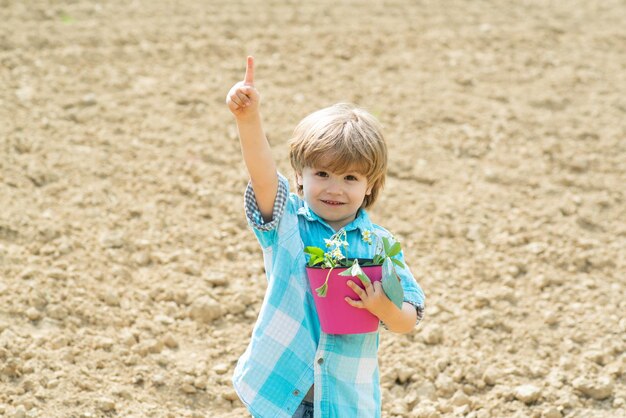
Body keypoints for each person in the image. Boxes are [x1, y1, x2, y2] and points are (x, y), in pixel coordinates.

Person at [226, 56, 425, 418]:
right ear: (300, 177)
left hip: (345, 404)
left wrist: (383, 308)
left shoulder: (380, 246)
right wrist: (248, 119)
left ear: (370, 187)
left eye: (350, 178)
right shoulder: (288, 226)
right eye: (322, 173)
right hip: (279, 394)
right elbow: (263, 175)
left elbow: (408, 318)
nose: (335, 189)